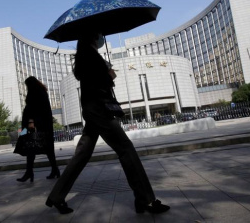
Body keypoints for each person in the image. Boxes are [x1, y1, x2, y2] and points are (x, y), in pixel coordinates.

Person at [45, 33, 170, 215]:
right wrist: (109, 75)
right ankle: (145, 200)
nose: (101, 38)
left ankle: (56, 196)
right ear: (93, 38)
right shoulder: (90, 56)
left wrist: (106, 73)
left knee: (82, 154)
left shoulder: (84, 55)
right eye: (98, 35)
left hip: (93, 110)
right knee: (126, 149)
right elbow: (97, 83)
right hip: (99, 110)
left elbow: (89, 81)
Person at [16, 76, 60, 182]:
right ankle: (54, 170)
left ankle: (29, 172)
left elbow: (32, 109)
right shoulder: (42, 91)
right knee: (47, 148)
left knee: (30, 147)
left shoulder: (34, 92)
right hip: (43, 125)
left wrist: (31, 122)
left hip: (33, 126)